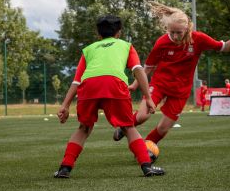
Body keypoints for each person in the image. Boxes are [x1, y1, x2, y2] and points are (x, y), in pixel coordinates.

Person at [113, 1, 230, 146]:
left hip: (181, 91)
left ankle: (147, 148)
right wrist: (134, 85)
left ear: (187, 28)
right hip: (160, 84)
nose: (176, 36)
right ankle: (125, 127)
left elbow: (225, 47)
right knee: (142, 116)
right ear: (167, 29)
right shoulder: (162, 43)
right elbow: (147, 68)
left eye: (179, 33)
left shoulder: (199, 39)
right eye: (172, 32)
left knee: (164, 128)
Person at [54, 15, 165, 178]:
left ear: (98, 34)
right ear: (119, 32)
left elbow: (77, 81)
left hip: (88, 86)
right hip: (114, 84)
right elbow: (138, 70)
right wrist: (148, 97)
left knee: (84, 128)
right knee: (128, 127)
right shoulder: (126, 46)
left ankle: (65, 168)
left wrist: (65, 105)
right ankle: (146, 166)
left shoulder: (89, 49)